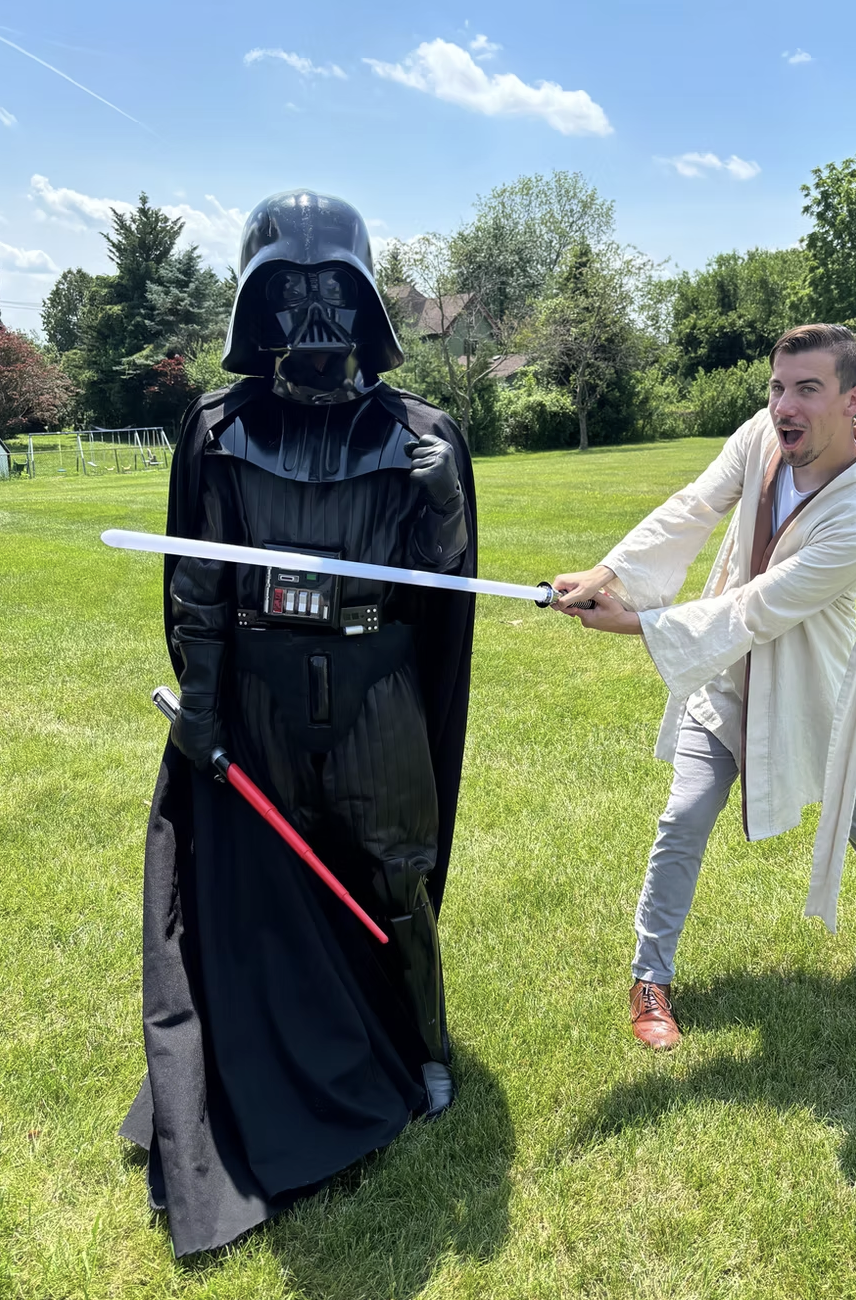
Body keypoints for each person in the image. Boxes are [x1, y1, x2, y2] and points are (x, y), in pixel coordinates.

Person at [119, 190, 477, 1254]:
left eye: (335, 289)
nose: (314, 312)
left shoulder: (421, 435)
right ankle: (270, 1055)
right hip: (265, 685)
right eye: (291, 289)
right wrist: (204, 702)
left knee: (394, 875)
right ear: (259, 303)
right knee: (269, 883)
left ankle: (420, 1046)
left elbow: (442, 592)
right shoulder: (218, 431)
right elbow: (199, 583)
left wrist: (445, 501)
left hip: (376, 687)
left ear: (366, 301)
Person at [554, 324, 856, 1051]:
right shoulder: (759, 437)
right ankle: (650, 978)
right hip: (722, 677)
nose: (786, 405)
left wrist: (638, 624)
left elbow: (759, 607)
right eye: (779, 387)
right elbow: (695, 505)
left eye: (809, 388)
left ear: (853, 399)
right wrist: (609, 574)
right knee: (682, 819)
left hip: (811, 693)